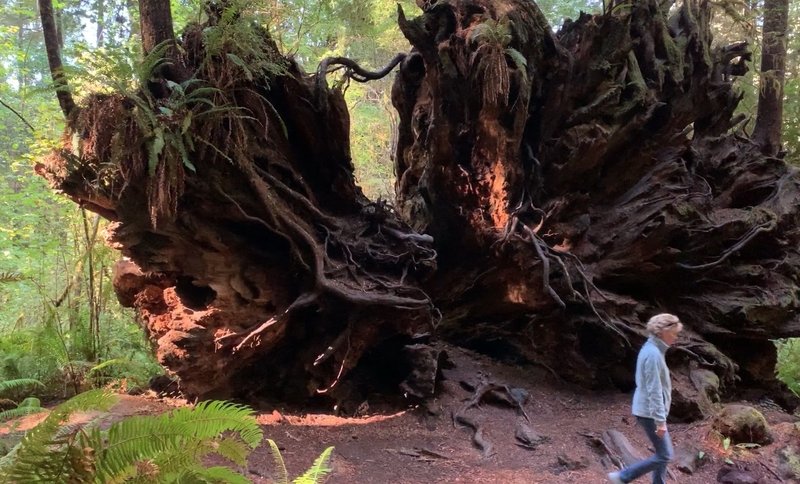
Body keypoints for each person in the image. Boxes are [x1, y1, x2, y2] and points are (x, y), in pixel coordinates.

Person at [608, 313, 683, 484]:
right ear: (664, 332)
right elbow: (654, 390)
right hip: (650, 413)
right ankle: (623, 476)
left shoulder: (653, 350)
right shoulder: (653, 354)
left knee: (661, 455)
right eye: (674, 333)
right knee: (665, 455)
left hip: (651, 412)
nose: (676, 337)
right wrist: (660, 420)